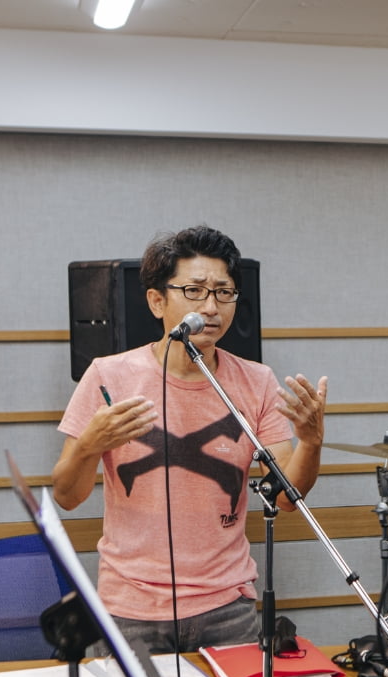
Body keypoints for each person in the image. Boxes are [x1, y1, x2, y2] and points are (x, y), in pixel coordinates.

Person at [52, 225, 328, 654]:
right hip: (131, 609)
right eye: (194, 291)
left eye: (224, 292)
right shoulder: (108, 375)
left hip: (227, 608)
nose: (211, 307)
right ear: (157, 301)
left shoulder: (256, 381)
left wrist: (310, 442)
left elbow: (286, 498)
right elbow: (67, 497)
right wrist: (89, 445)